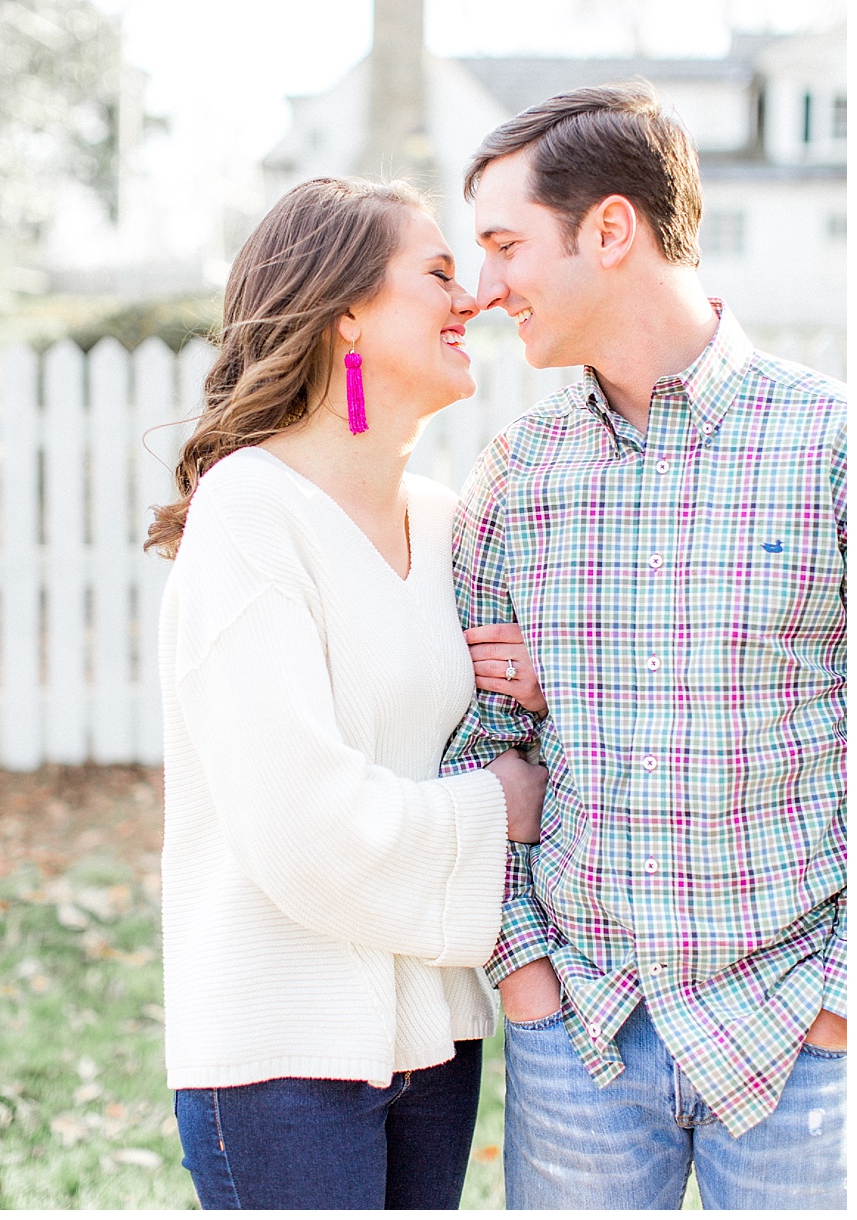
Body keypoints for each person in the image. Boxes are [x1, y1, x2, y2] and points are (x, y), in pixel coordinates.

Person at [440, 81, 846, 1209]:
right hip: (586, 1042)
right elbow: (481, 738)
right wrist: (528, 985)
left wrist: (839, 1003)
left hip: (802, 1042)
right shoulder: (519, 477)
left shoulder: (830, 447)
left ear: (610, 229)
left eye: (505, 243)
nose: (484, 287)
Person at [147, 176, 549, 1209]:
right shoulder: (251, 515)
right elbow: (302, 823)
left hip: (436, 1043)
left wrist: (543, 689)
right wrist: (491, 810)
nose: (476, 300)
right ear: (348, 316)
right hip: (281, 1062)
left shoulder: (448, 519)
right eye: (440, 275)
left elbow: (485, 727)